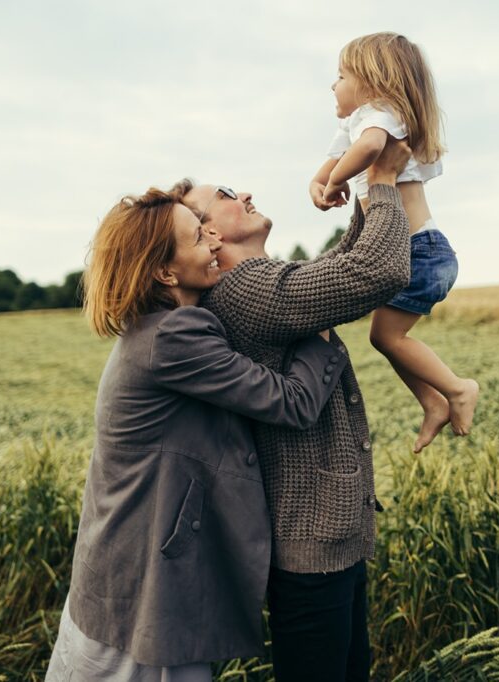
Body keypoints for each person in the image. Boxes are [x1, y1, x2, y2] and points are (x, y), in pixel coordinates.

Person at [45, 187, 349, 680]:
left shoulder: (160, 327)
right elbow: (293, 403)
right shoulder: (173, 336)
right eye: (196, 235)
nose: (212, 239)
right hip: (141, 593)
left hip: (126, 585)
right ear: (166, 272)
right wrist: (321, 326)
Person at [177, 138, 412, 681]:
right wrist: (382, 181)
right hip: (309, 544)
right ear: (209, 232)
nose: (248, 193)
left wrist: (359, 198)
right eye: (230, 194)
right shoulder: (245, 288)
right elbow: (376, 272)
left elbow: (337, 271)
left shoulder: (257, 285)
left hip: (322, 534)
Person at [310, 31, 480, 444]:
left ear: (372, 81)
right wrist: (318, 184)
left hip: (419, 250)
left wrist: (335, 182)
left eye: (341, 75)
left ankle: (458, 389)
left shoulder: (381, 113)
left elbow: (368, 149)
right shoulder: (356, 121)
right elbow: (333, 160)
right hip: (408, 250)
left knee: (387, 336)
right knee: (384, 337)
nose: (333, 85)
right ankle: (433, 402)